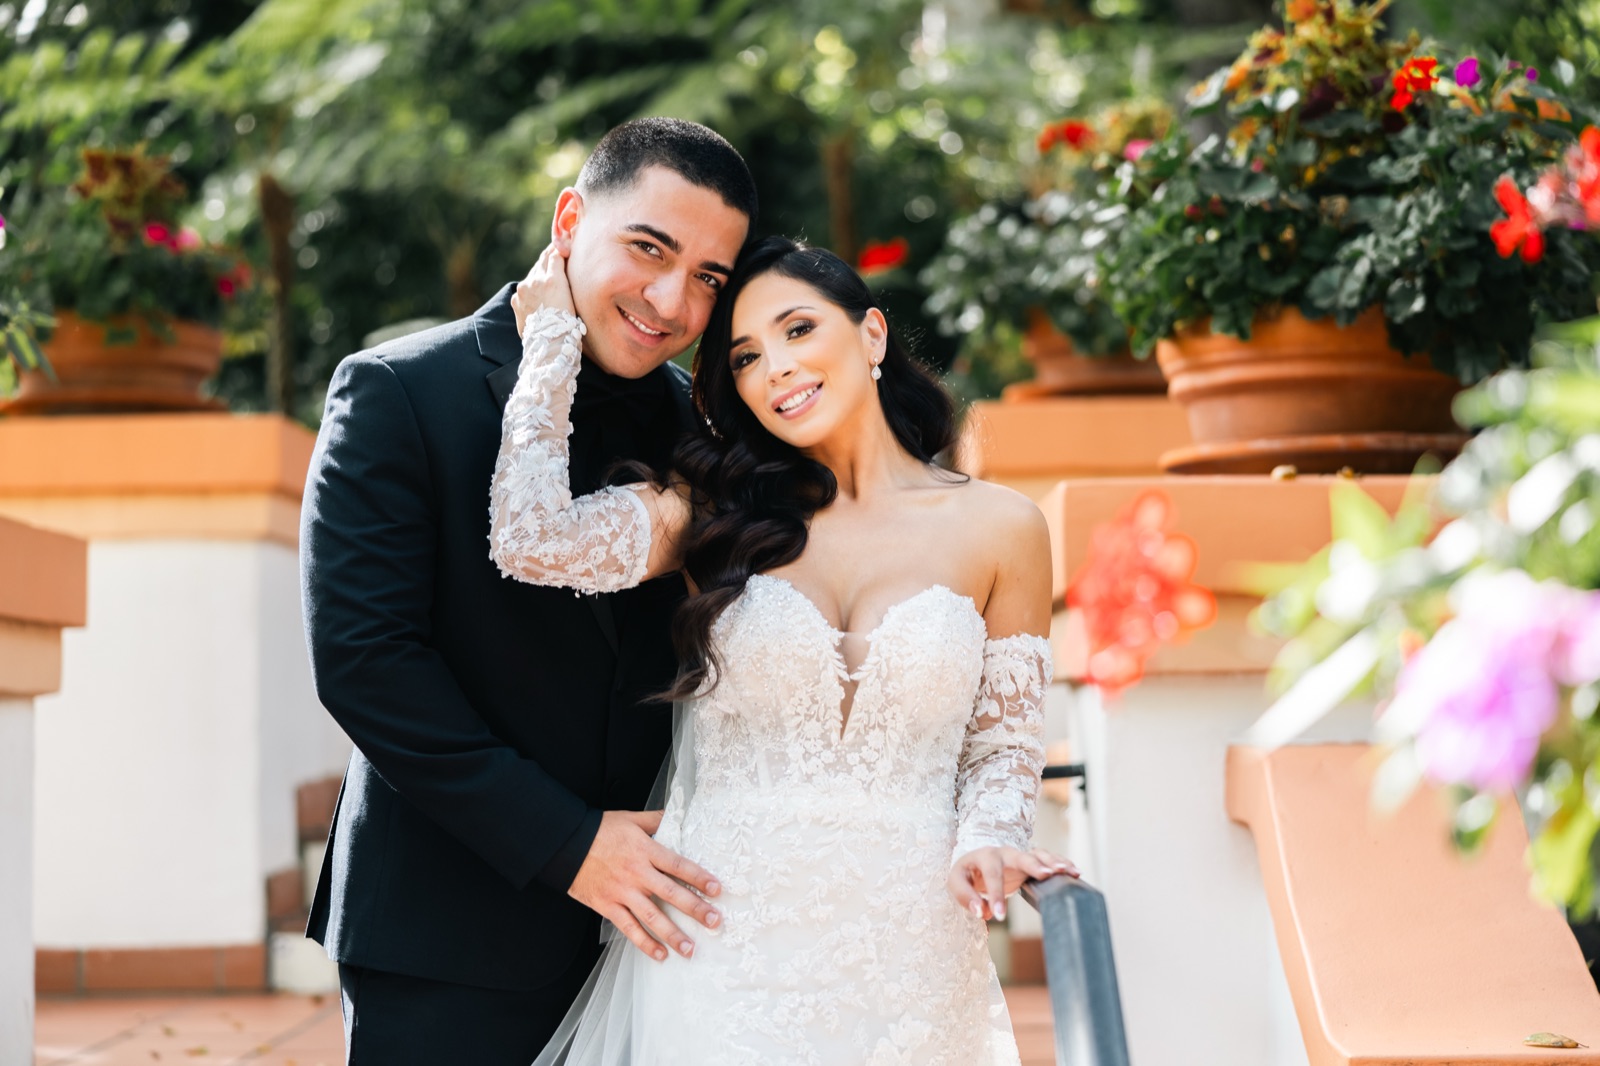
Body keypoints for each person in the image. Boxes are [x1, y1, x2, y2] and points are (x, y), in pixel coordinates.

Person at [489, 234, 1076, 1064]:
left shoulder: (1004, 527)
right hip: (720, 939)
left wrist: (991, 834)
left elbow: (1002, 747)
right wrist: (551, 344)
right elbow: (531, 540)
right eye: (747, 357)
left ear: (872, 334)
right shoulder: (709, 516)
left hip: (913, 946)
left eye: (799, 329)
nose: (779, 370)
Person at [298, 117, 754, 1065]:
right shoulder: (397, 391)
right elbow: (365, 663)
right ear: (570, 218)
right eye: (648, 248)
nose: (672, 301)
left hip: (657, 943)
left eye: (709, 277)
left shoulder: (706, 432)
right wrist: (571, 844)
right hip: (447, 932)